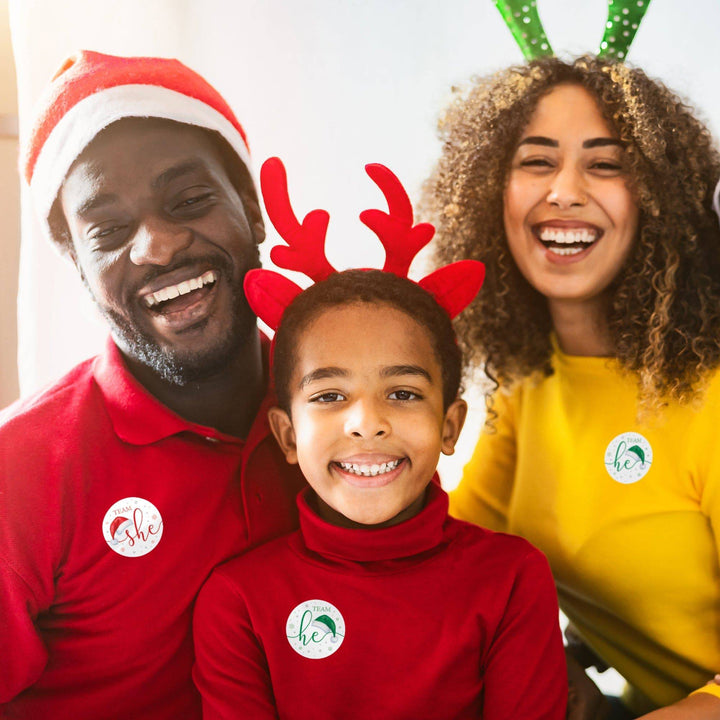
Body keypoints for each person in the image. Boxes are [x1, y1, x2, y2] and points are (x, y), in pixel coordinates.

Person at [192, 158, 567, 720]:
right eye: (329, 396)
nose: (366, 422)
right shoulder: (239, 601)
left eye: (403, 393)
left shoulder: (512, 578)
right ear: (287, 436)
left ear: (449, 426)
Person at [0, 51, 304, 719]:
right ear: (76, 262)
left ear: (252, 210)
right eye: (108, 231)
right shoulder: (20, 472)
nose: (158, 247)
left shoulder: (345, 410)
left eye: (190, 200)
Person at [420, 55, 720, 719]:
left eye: (605, 163)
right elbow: (445, 566)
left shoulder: (713, 401)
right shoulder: (528, 386)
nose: (564, 190)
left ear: (658, 197)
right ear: (489, 192)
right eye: (536, 161)